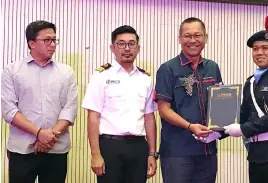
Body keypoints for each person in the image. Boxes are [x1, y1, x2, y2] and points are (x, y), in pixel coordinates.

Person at [212, 16, 268, 183]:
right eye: (255, 49)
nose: (259, 52)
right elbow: (243, 117)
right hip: (256, 155)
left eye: (265, 48)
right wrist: (217, 133)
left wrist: (243, 129)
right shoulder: (251, 82)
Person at [1, 20, 78, 183]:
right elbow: (9, 111)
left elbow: (70, 109)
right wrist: (39, 133)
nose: (53, 45)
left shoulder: (66, 72)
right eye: (47, 40)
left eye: (54, 40)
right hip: (22, 149)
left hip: (56, 149)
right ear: (32, 43)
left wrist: (49, 137)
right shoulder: (11, 71)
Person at [82, 25, 158, 183]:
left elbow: (149, 118)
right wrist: (95, 154)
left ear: (138, 48)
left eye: (131, 44)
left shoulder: (145, 79)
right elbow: (93, 117)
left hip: (138, 147)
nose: (127, 48)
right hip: (110, 146)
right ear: (112, 47)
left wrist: (152, 153)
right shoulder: (101, 76)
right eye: (121, 44)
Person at [154, 17, 223, 183]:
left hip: (208, 150)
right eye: (187, 36)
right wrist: (190, 127)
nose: (193, 40)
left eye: (197, 35)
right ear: (180, 39)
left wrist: (223, 126)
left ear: (205, 38)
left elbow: (220, 104)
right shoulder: (168, 69)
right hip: (178, 152)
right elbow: (163, 109)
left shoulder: (212, 67)